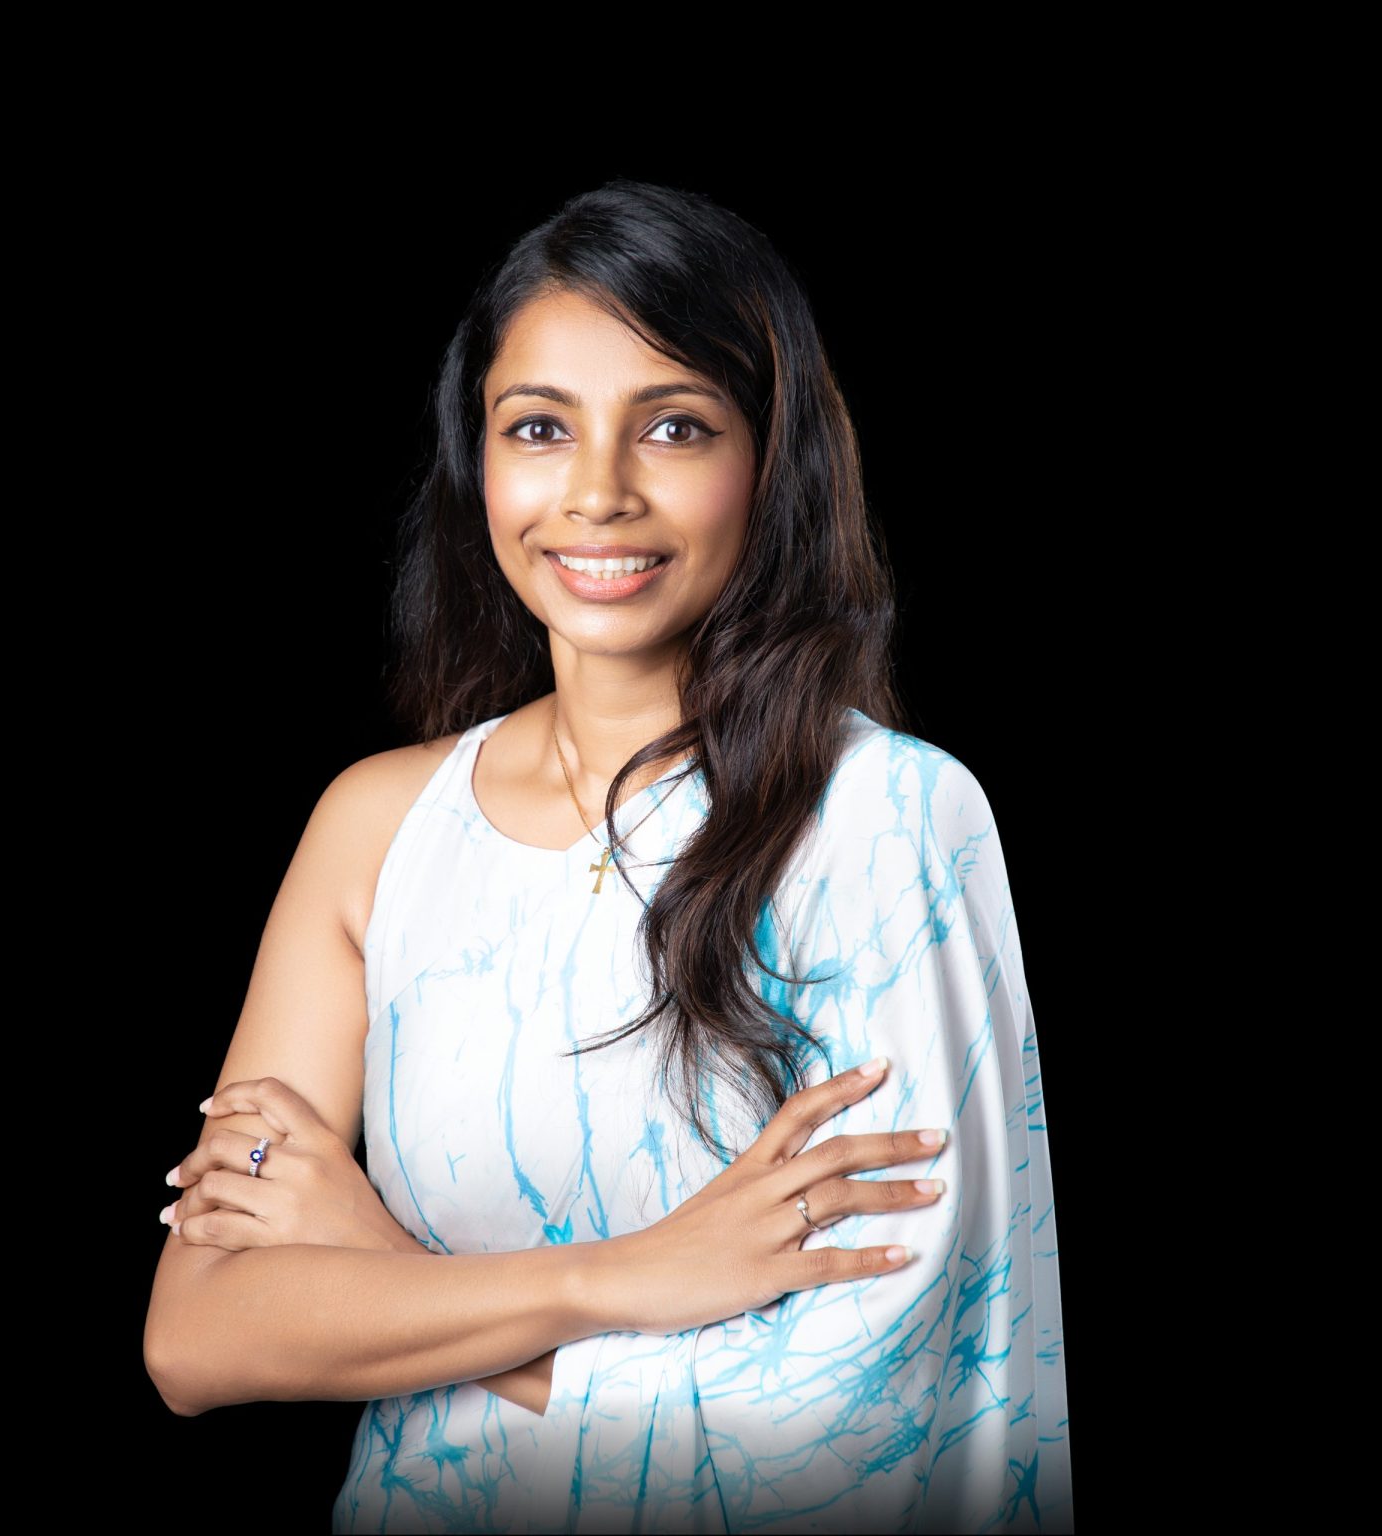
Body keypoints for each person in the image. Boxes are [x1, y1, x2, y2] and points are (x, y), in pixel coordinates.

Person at [143, 178, 1073, 1535]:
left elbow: (865, 1419)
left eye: (675, 427)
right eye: (539, 429)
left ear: (773, 462)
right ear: (479, 461)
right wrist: (627, 1276)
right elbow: (199, 1334)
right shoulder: (378, 824)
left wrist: (379, 1269)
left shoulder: (886, 821)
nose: (596, 493)